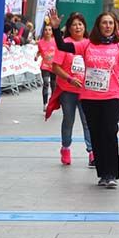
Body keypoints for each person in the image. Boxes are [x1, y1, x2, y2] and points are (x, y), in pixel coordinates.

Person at [48, 11, 119, 188]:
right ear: (98, 26)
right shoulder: (87, 44)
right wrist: (55, 28)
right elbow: (62, 46)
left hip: (112, 96)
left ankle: (112, 173)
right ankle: (102, 173)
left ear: (114, 26)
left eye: (110, 23)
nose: (107, 26)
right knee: (96, 135)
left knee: (109, 132)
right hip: (90, 97)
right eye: (104, 23)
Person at [44, 12, 95, 166]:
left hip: (86, 91)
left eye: (80, 24)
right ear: (69, 28)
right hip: (67, 90)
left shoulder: (90, 43)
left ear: (85, 27)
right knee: (69, 120)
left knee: (88, 122)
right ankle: (65, 148)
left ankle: (92, 152)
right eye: (74, 24)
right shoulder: (64, 44)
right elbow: (55, 67)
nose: (77, 27)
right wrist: (70, 79)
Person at [37, 22, 58, 107]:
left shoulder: (56, 42)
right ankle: (45, 103)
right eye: (46, 30)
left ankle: (52, 102)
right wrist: (36, 55)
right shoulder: (40, 42)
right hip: (45, 66)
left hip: (54, 66)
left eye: (49, 30)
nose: (47, 32)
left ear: (52, 32)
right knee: (46, 83)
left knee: (53, 85)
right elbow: (39, 51)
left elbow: (60, 52)